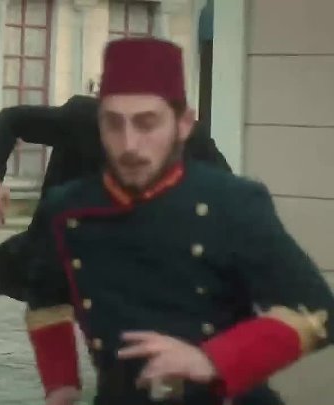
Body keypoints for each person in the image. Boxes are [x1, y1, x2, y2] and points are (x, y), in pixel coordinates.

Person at [22, 38, 334, 405]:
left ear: (184, 124)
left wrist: (211, 359)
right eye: (113, 124)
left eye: (147, 124)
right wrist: (60, 383)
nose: (129, 145)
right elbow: (46, 300)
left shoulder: (233, 202)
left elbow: (318, 312)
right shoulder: (65, 208)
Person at [0, 85, 231, 318]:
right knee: (40, 273)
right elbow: (12, 119)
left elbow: (228, 198)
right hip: (62, 232)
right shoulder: (85, 120)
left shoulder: (193, 141)